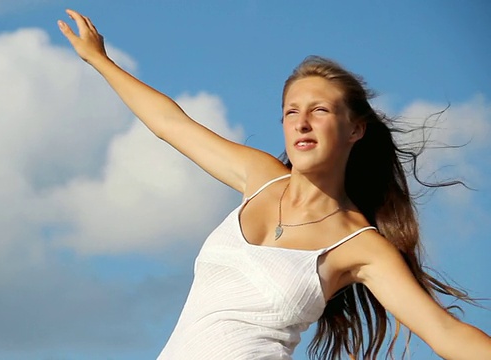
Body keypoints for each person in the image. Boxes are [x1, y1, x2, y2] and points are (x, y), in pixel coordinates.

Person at [57, 9, 491, 360]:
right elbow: (171, 124)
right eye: (291, 111)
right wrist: (100, 60)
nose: (302, 121)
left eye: (319, 110)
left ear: (355, 129)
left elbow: (445, 333)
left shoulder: (358, 245)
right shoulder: (260, 177)